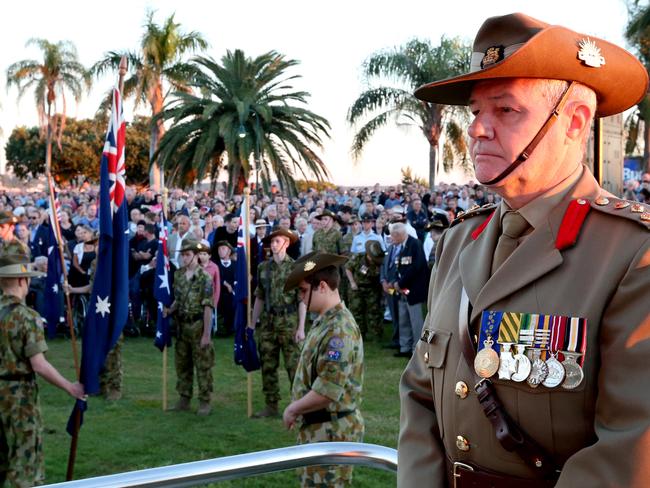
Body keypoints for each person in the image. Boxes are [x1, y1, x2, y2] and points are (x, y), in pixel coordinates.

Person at [398, 13, 650, 488]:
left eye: (505, 110)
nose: (476, 130)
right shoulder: (458, 242)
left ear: (574, 123)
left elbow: (629, 454)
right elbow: (420, 395)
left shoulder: (632, 256)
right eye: (475, 112)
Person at [0, 251, 85, 486]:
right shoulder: (27, 317)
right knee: (24, 461)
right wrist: (70, 387)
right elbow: (38, 364)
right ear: (21, 280)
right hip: (18, 397)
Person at [282, 252, 364, 488]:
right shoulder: (325, 321)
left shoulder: (339, 329)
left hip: (331, 431)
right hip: (321, 429)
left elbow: (328, 390)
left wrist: (293, 409)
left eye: (304, 291)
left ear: (323, 287)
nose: (301, 297)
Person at [250, 229, 306, 418]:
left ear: (287, 243)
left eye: (277, 241)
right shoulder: (263, 268)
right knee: (268, 363)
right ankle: (271, 403)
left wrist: (301, 327)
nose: (273, 245)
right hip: (268, 322)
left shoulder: (296, 268)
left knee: (293, 365)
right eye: (272, 242)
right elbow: (259, 297)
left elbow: (302, 299)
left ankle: (298, 405)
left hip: (289, 321)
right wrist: (252, 323)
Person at [164, 239, 215, 416]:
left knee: (203, 366)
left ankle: (204, 400)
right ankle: (184, 398)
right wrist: (170, 310)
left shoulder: (204, 277)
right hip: (182, 326)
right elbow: (178, 298)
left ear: (195, 255)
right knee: (182, 365)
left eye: (187, 255)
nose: (184, 258)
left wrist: (207, 334)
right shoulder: (178, 275)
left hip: (198, 324)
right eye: (183, 255)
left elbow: (208, 306)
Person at [387, 222, 428, 357]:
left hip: (414, 291)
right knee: (403, 319)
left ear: (399, 235)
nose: (391, 239)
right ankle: (404, 348)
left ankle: (416, 350)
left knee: (416, 321)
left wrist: (401, 283)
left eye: (393, 236)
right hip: (402, 290)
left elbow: (416, 267)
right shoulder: (402, 247)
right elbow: (401, 268)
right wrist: (396, 283)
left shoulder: (414, 244)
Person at [345, 240, 385, 340]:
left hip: (372, 288)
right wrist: (352, 282)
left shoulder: (380, 260)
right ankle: (359, 334)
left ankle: (377, 334)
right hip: (357, 288)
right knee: (356, 311)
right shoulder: (358, 257)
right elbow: (348, 268)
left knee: (374, 311)